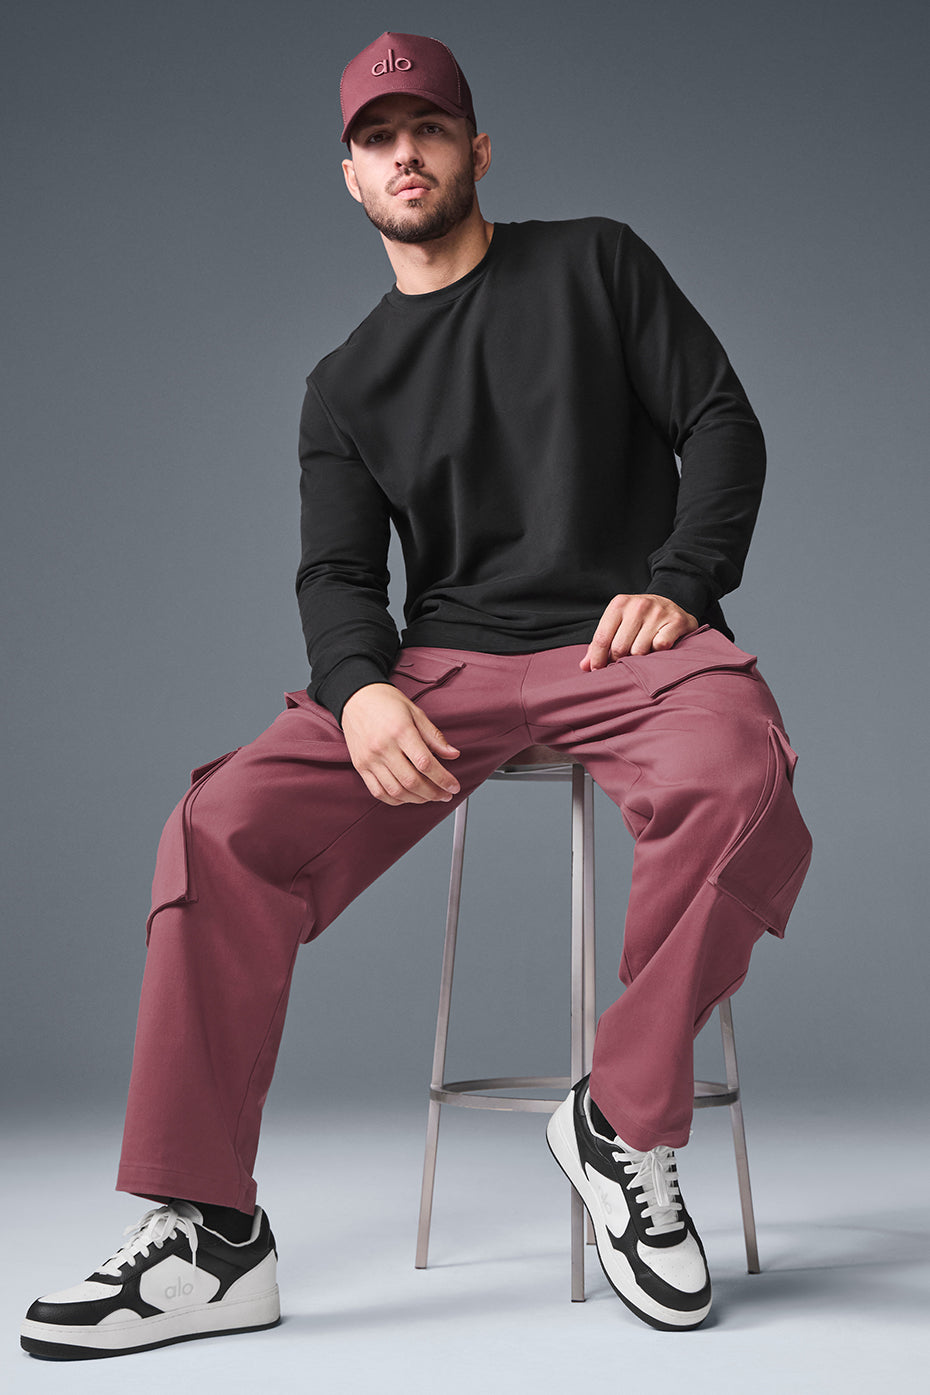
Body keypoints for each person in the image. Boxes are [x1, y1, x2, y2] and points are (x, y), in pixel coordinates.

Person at [21, 31, 812, 1358]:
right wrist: (358, 692)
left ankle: (620, 1124)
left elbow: (721, 421)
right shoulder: (343, 386)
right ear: (349, 174)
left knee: (745, 781)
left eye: (428, 130)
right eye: (378, 139)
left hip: (626, 645)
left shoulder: (597, 263)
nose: (405, 154)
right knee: (217, 831)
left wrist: (682, 582)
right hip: (443, 672)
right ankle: (210, 1236)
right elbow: (338, 573)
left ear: (474, 149)